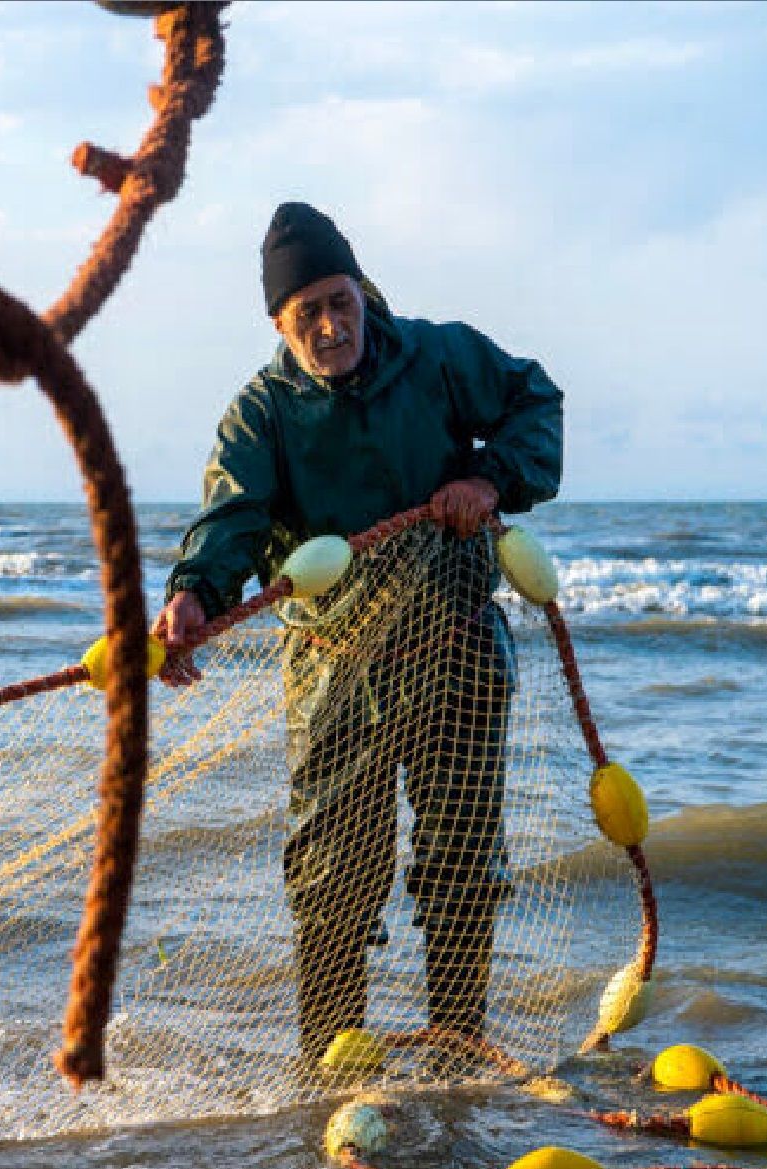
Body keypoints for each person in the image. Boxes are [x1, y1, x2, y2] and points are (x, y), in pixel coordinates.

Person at [154, 202, 563, 1064]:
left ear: (362, 290)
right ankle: (328, 1072)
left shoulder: (440, 355)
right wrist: (195, 591)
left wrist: (487, 477)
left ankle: (458, 1058)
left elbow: (536, 400)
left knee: (462, 869)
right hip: (335, 668)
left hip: (457, 650)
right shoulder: (261, 413)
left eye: (342, 301)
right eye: (310, 314)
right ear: (279, 322)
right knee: (334, 879)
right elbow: (232, 513)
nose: (334, 326)